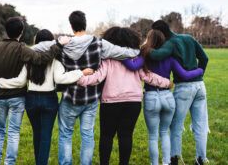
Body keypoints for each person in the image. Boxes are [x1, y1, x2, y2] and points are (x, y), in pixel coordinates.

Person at [32, 11, 140, 165]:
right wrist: (138, 51)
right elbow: (122, 52)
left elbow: (39, 47)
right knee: (87, 134)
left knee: (65, 134)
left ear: (71, 25)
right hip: (90, 98)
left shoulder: (63, 44)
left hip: (70, 96)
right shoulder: (99, 44)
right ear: (85, 23)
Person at [0, 29, 92, 165]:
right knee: (45, 136)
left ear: (36, 41)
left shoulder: (28, 59)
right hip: (49, 100)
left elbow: (20, 81)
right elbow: (61, 78)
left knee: (37, 134)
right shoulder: (55, 59)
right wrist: (81, 72)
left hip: (31, 100)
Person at [77, 27, 173, 165]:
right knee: (126, 136)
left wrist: (79, 78)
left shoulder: (108, 59)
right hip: (133, 103)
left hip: (110, 102)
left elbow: (97, 77)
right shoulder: (135, 59)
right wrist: (167, 83)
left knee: (106, 136)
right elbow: (148, 76)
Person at [0, 17, 61, 165]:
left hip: (1, 97)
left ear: (6, 30)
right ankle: (10, 163)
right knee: (14, 133)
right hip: (19, 97)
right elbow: (40, 59)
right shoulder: (22, 49)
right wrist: (57, 47)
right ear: (21, 32)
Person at [123, 29, 204, 165]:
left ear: (148, 39)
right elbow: (184, 75)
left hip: (151, 97)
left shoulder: (144, 54)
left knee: (153, 136)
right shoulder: (170, 57)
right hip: (168, 98)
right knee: (165, 132)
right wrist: (200, 69)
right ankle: (166, 163)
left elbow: (133, 66)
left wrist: (120, 54)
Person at [149, 20, 209, 165]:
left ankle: (175, 158)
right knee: (200, 125)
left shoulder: (170, 43)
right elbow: (204, 58)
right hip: (200, 86)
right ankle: (201, 159)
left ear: (160, 33)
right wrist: (199, 73)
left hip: (184, 88)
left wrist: (145, 47)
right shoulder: (188, 37)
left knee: (175, 125)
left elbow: (156, 56)